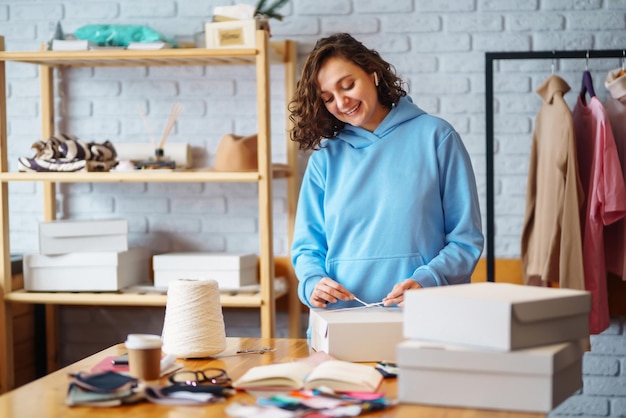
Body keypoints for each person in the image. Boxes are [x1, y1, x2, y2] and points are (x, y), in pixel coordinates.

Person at [288, 33, 484, 313]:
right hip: (342, 319)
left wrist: (428, 280)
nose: (342, 103)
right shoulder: (326, 159)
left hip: (426, 315)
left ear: (373, 73)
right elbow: (308, 246)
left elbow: (465, 239)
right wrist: (312, 282)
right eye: (329, 98)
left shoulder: (436, 137)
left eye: (348, 86)